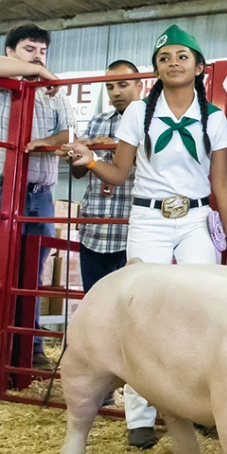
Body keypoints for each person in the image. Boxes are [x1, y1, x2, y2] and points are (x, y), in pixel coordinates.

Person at [61, 25, 227, 449]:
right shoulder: (137, 112)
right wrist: (89, 160)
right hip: (148, 218)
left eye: (183, 56)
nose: (173, 63)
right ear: (156, 69)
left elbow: (221, 182)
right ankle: (139, 417)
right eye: (164, 58)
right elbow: (120, 173)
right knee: (140, 310)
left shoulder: (213, 117)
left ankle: (202, 408)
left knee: (205, 308)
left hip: (197, 217)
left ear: (199, 67)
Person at [0, 24, 75, 371]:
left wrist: (48, 142)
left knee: (31, 273)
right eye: (29, 49)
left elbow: (69, 133)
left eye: (42, 52)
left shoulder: (54, 92)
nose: (38, 56)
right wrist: (37, 71)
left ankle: (29, 348)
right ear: (10, 52)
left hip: (39, 193)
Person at [70, 60, 142, 291]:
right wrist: (76, 153)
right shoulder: (97, 121)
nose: (116, 92)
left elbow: (157, 168)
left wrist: (115, 147)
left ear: (139, 86)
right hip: (94, 228)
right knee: (93, 302)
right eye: (110, 87)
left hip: (130, 230)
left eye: (123, 84)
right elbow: (78, 172)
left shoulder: (151, 122)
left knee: (131, 304)